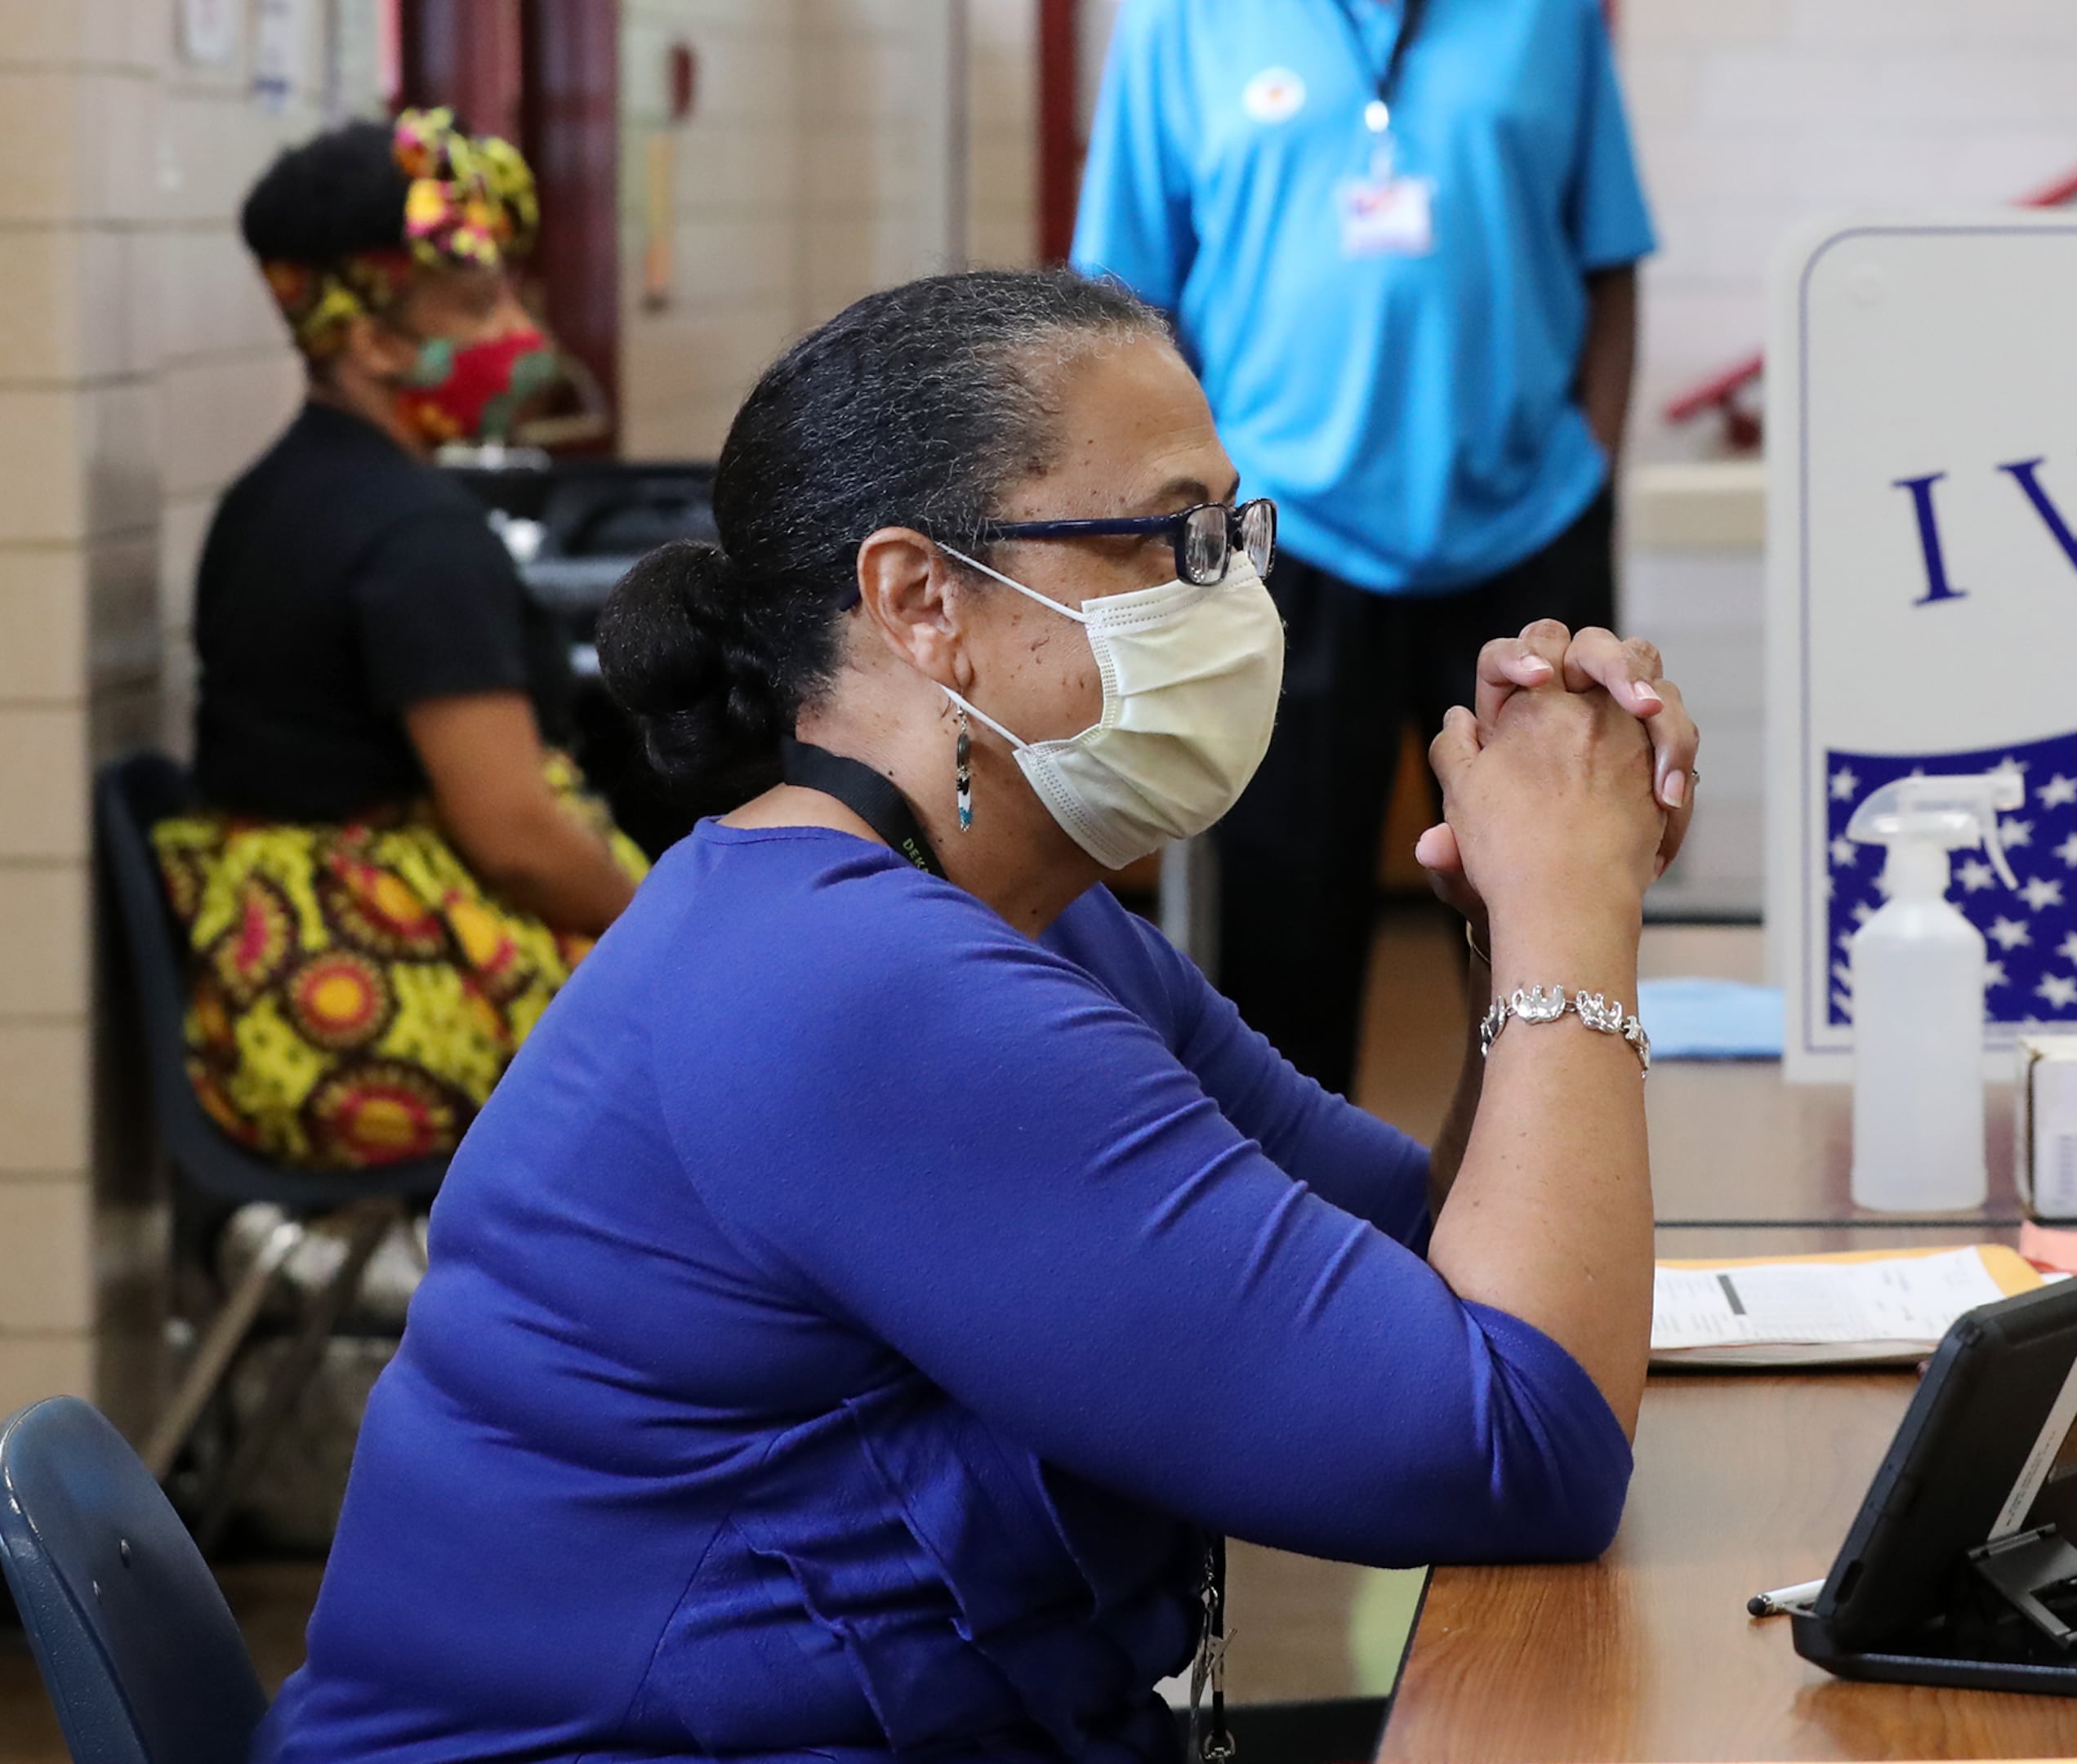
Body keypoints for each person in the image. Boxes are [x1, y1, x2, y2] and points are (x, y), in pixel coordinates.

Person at [256, 266, 1700, 1762]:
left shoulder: (1026, 921)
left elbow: (1416, 1260)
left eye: (1236, 534)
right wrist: (1569, 915)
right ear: (922, 600)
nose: (1236, 599)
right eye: (1170, 540)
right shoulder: (851, 990)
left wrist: (1509, 931)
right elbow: (1521, 1454)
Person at [1072, 0, 1661, 1092]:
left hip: (1527, 526)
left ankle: (1543, 1222)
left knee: (1546, 912)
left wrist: (1593, 471)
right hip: (1281, 534)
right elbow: (1121, 307)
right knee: (1281, 935)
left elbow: (1609, 259)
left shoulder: (1549, 17)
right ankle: (1291, 1241)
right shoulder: (1180, 24)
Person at [155, 109, 644, 1169]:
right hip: (382, 996)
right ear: (370, 338)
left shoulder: (271, 494)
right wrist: (674, 934)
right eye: (478, 305)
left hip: (263, 996)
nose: (515, 330)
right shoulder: (416, 539)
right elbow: (512, 832)